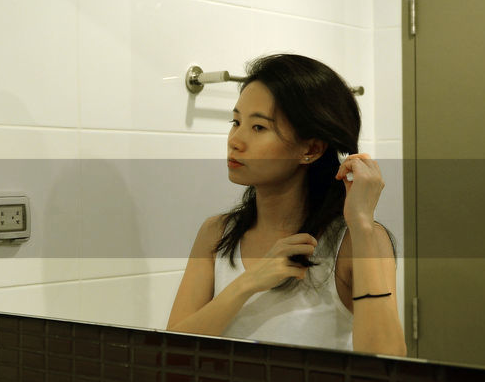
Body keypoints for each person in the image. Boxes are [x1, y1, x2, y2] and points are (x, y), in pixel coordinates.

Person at [166, 53, 407, 356]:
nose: (235, 140)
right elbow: (171, 353)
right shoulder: (217, 233)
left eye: (258, 128)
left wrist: (361, 226)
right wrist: (247, 284)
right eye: (236, 122)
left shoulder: (353, 241)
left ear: (311, 148)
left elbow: (389, 362)